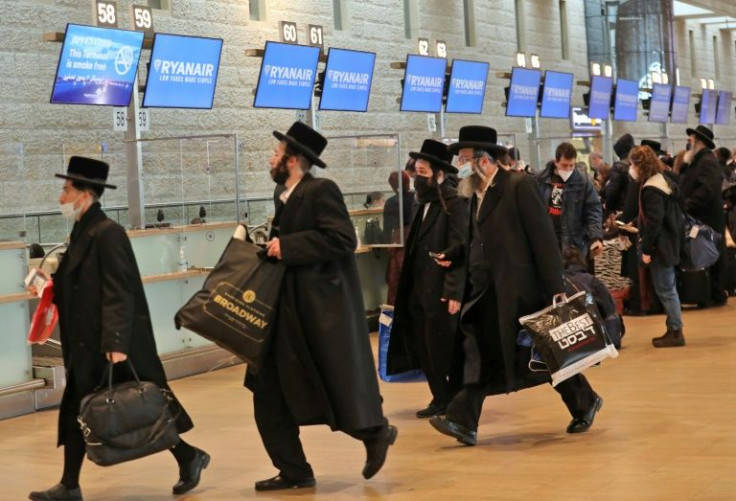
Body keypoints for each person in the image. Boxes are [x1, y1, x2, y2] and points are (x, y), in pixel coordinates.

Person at [29, 157, 208, 501]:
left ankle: (188, 456)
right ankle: (70, 484)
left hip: (109, 343)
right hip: (87, 343)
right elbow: (77, 282)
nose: (60, 198)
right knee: (80, 411)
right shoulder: (83, 231)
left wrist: (115, 341)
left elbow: (119, 290)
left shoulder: (108, 233)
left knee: (141, 407)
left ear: (84, 194)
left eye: (65, 190)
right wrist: (46, 286)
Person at [245, 122, 396, 491]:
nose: (271, 157)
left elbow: (342, 238)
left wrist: (290, 246)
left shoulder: (320, 190)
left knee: (330, 381)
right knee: (267, 390)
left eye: (277, 153)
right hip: (286, 311)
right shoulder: (285, 193)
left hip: (316, 311)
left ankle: (374, 432)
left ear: (293, 159)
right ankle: (294, 470)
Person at [428, 126, 603, 446]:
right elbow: (473, 239)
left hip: (520, 289)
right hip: (486, 291)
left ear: (483, 160)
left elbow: (543, 240)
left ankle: (584, 400)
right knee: (485, 353)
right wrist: (452, 255)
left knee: (541, 355)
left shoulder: (518, 185)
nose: (461, 166)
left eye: (465, 159)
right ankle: (462, 419)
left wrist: (555, 289)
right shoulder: (472, 194)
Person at [387, 139, 468, 418]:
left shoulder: (454, 205)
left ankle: (456, 399)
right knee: (423, 348)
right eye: (415, 172)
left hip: (440, 291)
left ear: (439, 174)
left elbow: (461, 250)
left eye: (422, 173)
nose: (417, 179)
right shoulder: (420, 204)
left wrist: (455, 290)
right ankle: (440, 397)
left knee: (444, 349)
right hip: (416, 291)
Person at [629, 146, 686, 347]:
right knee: (668, 288)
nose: (631, 168)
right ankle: (672, 328)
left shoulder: (651, 189)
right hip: (669, 243)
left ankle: (676, 331)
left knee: (666, 290)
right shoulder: (663, 181)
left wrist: (646, 249)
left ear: (638, 165)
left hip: (661, 247)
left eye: (632, 164)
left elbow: (654, 222)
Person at [680, 125, 728, 306]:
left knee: (710, 255)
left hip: (707, 219)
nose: (687, 141)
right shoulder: (699, 160)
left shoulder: (707, 161)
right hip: (701, 218)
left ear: (698, 142)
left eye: (690, 138)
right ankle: (708, 294)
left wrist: (687, 206)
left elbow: (707, 190)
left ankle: (715, 294)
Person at [536, 142, 604, 258]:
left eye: (571, 165)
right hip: (548, 242)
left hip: (576, 244)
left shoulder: (583, 181)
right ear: (555, 162)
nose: (568, 169)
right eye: (564, 165)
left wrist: (596, 237)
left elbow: (593, 210)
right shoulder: (540, 180)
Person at [562, 247, 624, 349]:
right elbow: (609, 307)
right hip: (600, 334)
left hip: (571, 338)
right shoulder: (591, 280)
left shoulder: (561, 283)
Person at [383, 170, 414, 305]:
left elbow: (387, 229)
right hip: (415, 237)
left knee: (395, 284)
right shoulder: (416, 197)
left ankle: (393, 321)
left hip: (398, 241)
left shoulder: (391, 202)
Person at [603, 133, 634, 217]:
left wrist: (608, 208)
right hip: (635, 210)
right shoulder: (637, 166)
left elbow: (612, 191)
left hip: (620, 211)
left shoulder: (618, 168)